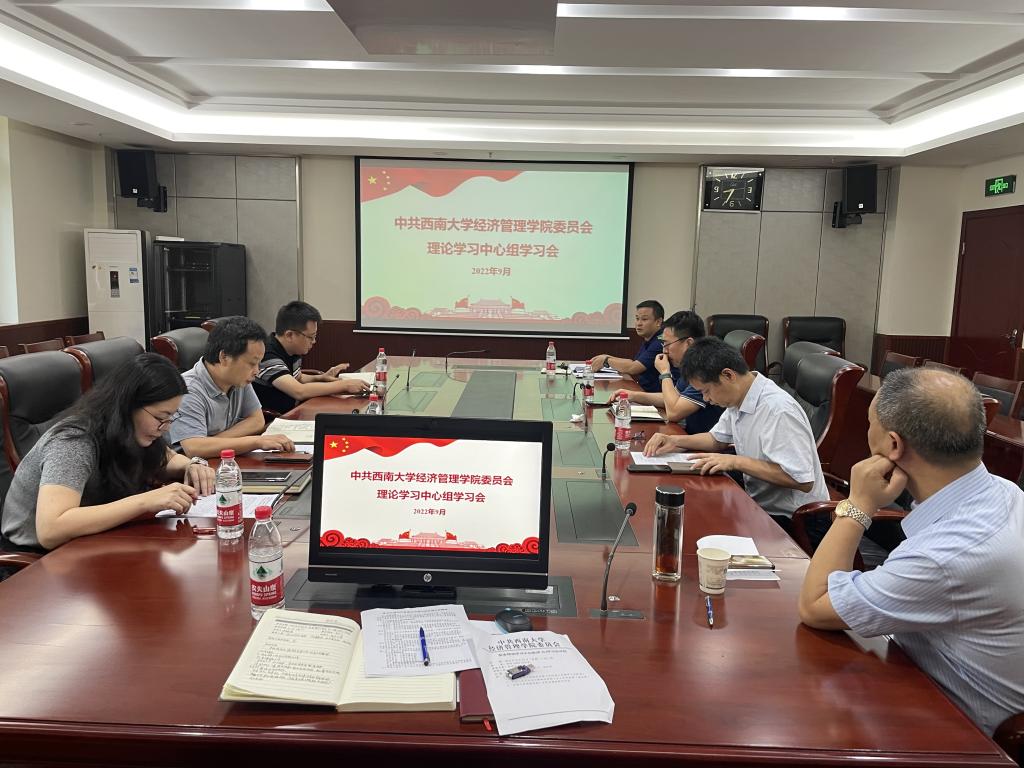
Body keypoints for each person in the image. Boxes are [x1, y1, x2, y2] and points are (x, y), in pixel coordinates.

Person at [798, 368, 1024, 736]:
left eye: (869, 423)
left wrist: (859, 504)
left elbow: (814, 606)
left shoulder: (946, 556)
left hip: (959, 732)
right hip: (924, 678)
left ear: (893, 445)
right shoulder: (1003, 491)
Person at [0, 353, 216, 551]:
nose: (166, 428)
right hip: (39, 559)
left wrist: (192, 464)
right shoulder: (73, 441)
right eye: (160, 417)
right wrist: (145, 501)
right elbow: (51, 530)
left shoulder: (130, 431)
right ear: (128, 405)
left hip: (92, 541)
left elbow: (166, 457)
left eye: (171, 417)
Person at [643, 336, 828, 520]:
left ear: (728, 375)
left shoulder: (778, 410)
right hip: (757, 503)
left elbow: (801, 479)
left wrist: (735, 462)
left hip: (794, 518)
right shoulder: (740, 397)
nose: (706, 399)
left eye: (706, 391)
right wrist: (675, 441)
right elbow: (716, 439)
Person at [169, 316, 295, 458]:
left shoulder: (238, 378)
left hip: (222, 460)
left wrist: (212, 443)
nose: (256, 371)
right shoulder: (187, 390)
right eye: (252, 363)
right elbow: (194, 448)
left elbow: (257, 420)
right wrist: (256, 441)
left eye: (259, 364)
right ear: (224, 357)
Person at [611, 310, 724, 434]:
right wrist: (633, 396)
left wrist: (665, 372)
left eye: (667, 344)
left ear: (689, 343)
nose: (664, 350)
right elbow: (673, 398)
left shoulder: (704, 368)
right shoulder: (692, 365)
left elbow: (673, 412)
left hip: (705, 441)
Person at [254, 301, 366, 414]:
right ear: (289, 335)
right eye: (311, 337)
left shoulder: (293, 349)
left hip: (294, 411)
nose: (314, 341)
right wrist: (345, 385)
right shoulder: (267, 355)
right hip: (274, 418)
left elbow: (297, 377)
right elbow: (299, 391)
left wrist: (321, 378)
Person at [587, 300, 664, 393]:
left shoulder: (660, 342)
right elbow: (633, 363)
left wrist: (606, 361)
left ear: (658, 322)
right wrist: (606, 357)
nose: (638, 323)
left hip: (653, 395)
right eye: (637, 318)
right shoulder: (650, 338)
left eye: (644, 319)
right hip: (643, 391)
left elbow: (634, 368)